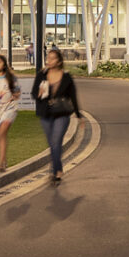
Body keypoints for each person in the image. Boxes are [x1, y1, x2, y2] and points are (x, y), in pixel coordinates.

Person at [32, 47, 81, 185]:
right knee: (53, 144)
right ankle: (57, 167)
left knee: (56, 141)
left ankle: (55, 172)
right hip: (46, 114)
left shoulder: (66, 76)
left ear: (59, 61)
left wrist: (78, 115)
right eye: (48, 57)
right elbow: (34, 94)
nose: (49, 60)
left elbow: (73, 96)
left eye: (53, 58)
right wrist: (40, 93)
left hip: (62, 114)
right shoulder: (41, 75)